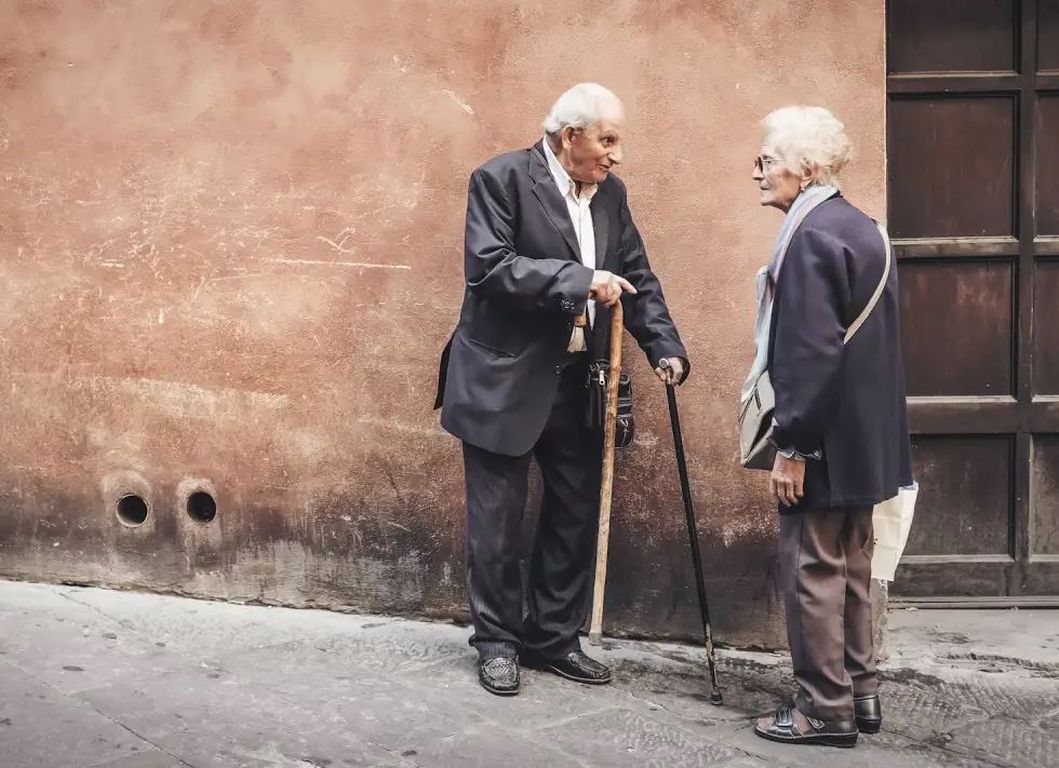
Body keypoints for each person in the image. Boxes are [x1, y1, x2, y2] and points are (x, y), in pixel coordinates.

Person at [434, 82, 689, 696]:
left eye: (617, 141)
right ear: (569, 135)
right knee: (495, 523)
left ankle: (552, 637)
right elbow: (491, 268)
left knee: (574, 515)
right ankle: (497, 642)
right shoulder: (500, 180)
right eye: (607, 139)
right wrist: (580, 279)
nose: (616, 154)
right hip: (503, 379)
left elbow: (636, 275)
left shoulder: (612, 195)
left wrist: (665, 346)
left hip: (579, 382)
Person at [745, 106, 912, 747]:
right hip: (865, 439)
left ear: (806, 168)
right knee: (853, 565)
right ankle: (861, 693)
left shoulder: (810, 235)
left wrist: (793, 446)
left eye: (768, 160)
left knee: (813, 568)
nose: (757, 171)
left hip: (823, 441)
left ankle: (823, 709)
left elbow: (811, 352)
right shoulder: (864, 227)